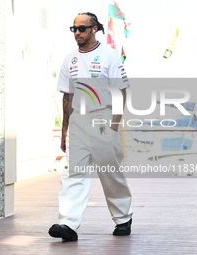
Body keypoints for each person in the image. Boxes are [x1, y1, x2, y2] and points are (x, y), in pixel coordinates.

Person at [48, 12, 133, 241]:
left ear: (94, 29)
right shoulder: (69, 59)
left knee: (110, 171)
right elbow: (67, 97)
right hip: (78, 121)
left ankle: (123, 218)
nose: (77, 33)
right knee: (74, 172)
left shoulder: (109, 55)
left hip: (104, 118)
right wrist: (65, 130)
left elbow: (120, 92)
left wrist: (114, 124)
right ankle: (67, 223)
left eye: (82, 29)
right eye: (74, 29)